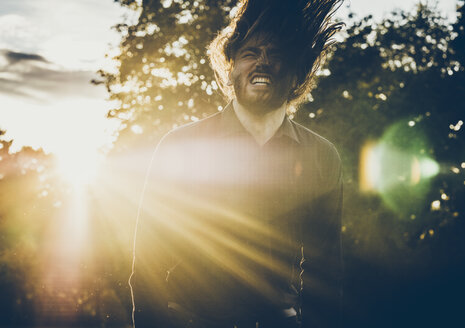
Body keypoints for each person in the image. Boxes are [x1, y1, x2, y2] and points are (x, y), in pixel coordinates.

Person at [130, 1, 344, 327]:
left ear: (296, 73)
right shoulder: (180, 146)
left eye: (277, 54)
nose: (263, 62)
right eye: (250, 53)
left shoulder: (321, 156)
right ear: (231, 68)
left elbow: (323, 274)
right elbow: (147, 261)